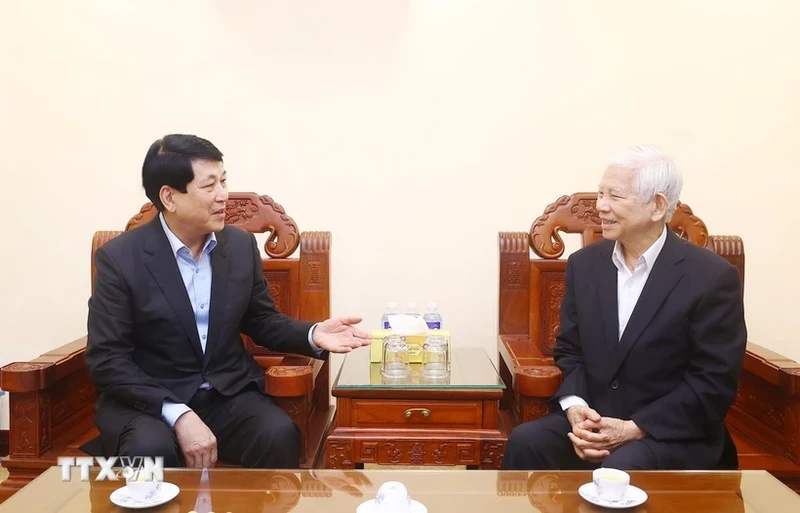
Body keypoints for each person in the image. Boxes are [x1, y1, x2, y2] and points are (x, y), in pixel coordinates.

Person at [85, 134, 371, 469]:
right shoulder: (121, 259)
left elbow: (261, 320)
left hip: (227, 393)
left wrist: (312, 334)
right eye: (210, 186)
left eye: (224, 181)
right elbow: (107, 359)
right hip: (151, 401)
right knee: (150, 452)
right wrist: (179, 415)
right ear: (170, 197)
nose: (224, 196)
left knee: (278, 435)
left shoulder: (237, 245)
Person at [501, 144, 747, 471]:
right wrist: (575, 409)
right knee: (527, 442)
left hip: (671, 433)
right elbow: (570, 351)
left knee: (619, 469)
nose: (600, 206)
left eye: (614, 197)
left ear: (657, 206)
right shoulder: (585, 265)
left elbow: (712, 382)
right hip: (597, 420)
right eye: (600, 193)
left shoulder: (712, 277)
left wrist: (632, 429)